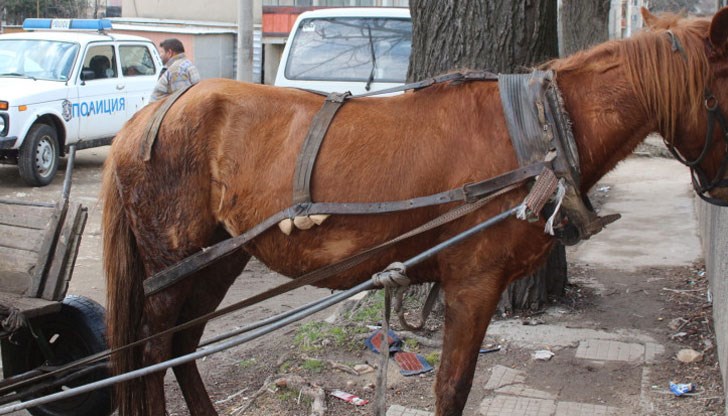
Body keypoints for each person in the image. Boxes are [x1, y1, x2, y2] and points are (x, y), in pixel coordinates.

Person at [150, 38, 200, 102]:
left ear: (169, 53)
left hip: (162, 110)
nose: (160, 56)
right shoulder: (187, 63)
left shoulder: (176, 70)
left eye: (161, 52)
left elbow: (181, 101)